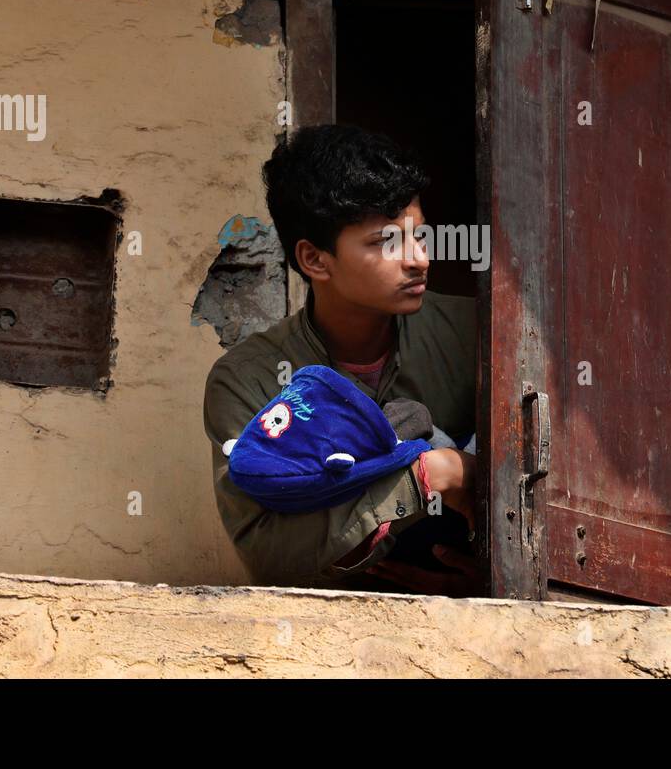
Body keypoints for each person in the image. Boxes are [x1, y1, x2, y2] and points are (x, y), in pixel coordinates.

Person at [203, 123, 479, 594]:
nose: (418, 260)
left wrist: (494, 577)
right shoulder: (247, 382)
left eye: (421, 237)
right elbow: (269, 556)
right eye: (386, 242)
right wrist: (431, 476)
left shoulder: (479, 335)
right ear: (314, 260)